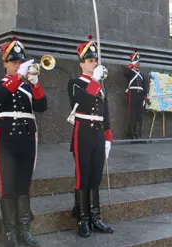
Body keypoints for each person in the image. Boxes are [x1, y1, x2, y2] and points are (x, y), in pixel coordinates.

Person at [0, 37, 47, 247]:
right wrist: (19, 77)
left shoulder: (28, 87)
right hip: (6, 141)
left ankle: (24, 230)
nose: (16, 64)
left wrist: (35, 82)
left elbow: (42, 106)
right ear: (4, 63)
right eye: (12, 61)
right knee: (8, 187)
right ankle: (10, 233)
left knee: (23, 186)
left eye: (19, 61)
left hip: (27, 141)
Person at [67, 35, 114, 238]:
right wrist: (94, 81)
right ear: (82, 64)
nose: (93, 63)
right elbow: (81, 103)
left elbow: (106, 112)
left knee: (95, 177)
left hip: (97, 134)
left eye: (95, 60)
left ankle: (95, 216)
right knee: (83, 175)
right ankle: (83, 218)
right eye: (90, 60)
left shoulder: (101, 85)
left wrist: (108, 137)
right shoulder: (75, 82)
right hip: (83, 131)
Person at [123, 51, 147, 139]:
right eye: (137, 62)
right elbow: (124, 72)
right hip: (132, 94)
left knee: (139, 115)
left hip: (140, 95)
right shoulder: (130, 72)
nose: (139, 64)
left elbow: (145, 87)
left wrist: (144, 98)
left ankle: (138, 133)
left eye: (139, 62)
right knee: (132, 114)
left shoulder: (142, 74)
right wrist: (130, 66)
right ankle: (131, 133)